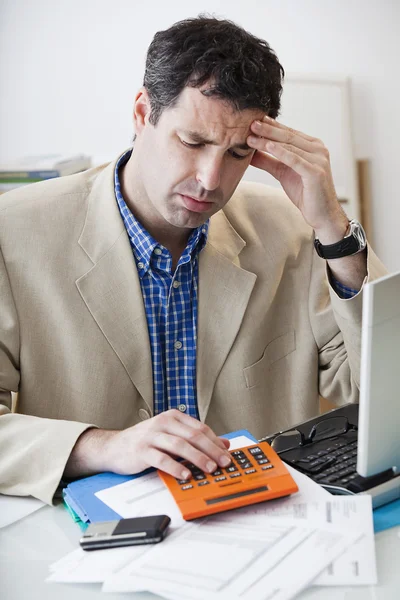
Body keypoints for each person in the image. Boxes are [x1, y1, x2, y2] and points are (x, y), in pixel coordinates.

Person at [0, 16, 386, 504]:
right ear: (143, 113)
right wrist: (101, 446)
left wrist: (333, 226)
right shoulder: (13, 235)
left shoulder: (294, 233)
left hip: (262, 532)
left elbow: (375, 390)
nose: (210, 179)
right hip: (88, 543)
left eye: (238, 153)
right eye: (194, 142)